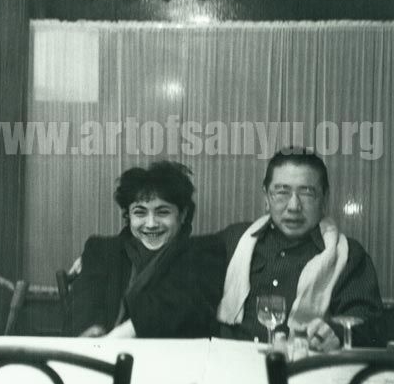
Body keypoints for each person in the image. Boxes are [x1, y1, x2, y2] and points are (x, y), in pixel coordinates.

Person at [216, 147, 383, 351]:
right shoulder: (234, 239)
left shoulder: (348, 255)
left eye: (307, 193)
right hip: (231, 362)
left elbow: (370, 323)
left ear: (324, 199)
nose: (294, 206)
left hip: (304, 364)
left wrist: (336, 332)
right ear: (266, 197)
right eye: (282, 192)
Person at [67, 161, 225, 338]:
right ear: (128, 215)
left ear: (183, 214)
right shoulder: (101, 250)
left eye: (162, 212)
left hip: (167, 352)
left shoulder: (203, 253)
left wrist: (119, 336)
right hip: (99, 350)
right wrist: (92, 334)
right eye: (140, 213)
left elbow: (180, 303)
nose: (151, 224)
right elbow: (85, 303)